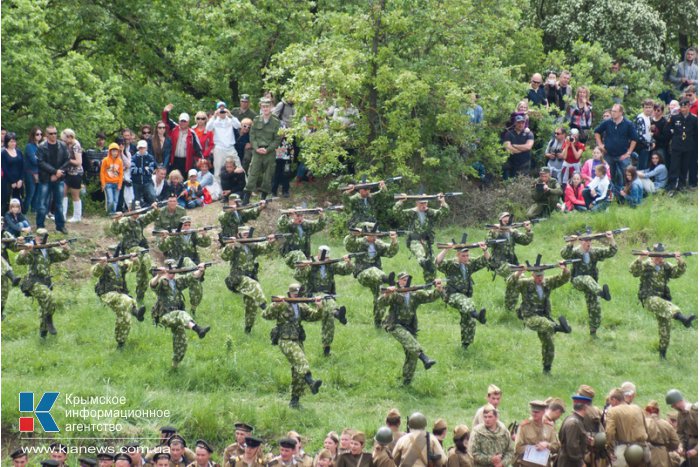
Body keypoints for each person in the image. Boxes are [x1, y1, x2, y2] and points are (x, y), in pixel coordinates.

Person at [261, 283, 324, 408]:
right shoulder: (282, 304)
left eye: (299, 293)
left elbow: (313, 316)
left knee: (297, 371)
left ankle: (295, 401)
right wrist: (275, 305)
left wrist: (320, 307)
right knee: (302, 361)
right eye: (296, 293)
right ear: (290, 293)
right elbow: (265, 315)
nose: (298, 295)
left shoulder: (301, 305)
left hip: (297, 340)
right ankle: (311, 382)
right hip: (285, 339)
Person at [630, 244, 695, 359]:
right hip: (649, 298)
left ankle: (662, 355)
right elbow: (633, 271)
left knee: (665, 327)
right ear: (653, 256)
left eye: (662, 256)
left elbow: (677, 273)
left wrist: (679, 260)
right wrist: (640, 258)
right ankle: (683, 319)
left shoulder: (666, 266)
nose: (660, 259)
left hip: (663, 301)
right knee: (664, 304)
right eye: (657, 256)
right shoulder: (646, 265)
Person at [377, 273, 442, 385]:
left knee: (412, 354)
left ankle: (407, 381)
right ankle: (424, 358)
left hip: (410, 327)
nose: (405, 282)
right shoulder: (395, 294)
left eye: (407, 280)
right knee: (410, 341)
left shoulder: (415, 295)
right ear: (398, 281)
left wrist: (438, 288)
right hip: (395, 325)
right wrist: (387, 294)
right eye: (402, 280)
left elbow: (430, 296)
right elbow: (381, 302)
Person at [507, 261, 572, 373]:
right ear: (532, 275)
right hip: (530, 316)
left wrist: (564, 268)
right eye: (537, 276)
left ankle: (547, 368)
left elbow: (563, 279)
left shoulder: (547, 282)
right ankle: (558, 327)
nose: (539, 278)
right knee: (546, 324)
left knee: (549, 343)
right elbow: (511, 283)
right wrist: (518, 272)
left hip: (544, 316)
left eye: (541, 276)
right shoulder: (526, 283)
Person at [150, 260, 211, 368]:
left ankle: (175, 366)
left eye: (174, 271)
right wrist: (159, 275)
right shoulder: (162, 282)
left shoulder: (177, 282)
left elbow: (192, 277)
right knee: (181, 313)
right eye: (170, 271)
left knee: (181, 342)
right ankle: (198, 329)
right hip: (165, 316)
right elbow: (152, 285)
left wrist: (201, 270)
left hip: (176, 317)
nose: (172, 274)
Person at [292, 245, 351, 356]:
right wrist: (303, 267)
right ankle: (337, 313)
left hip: (328, 295)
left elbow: (345, 270)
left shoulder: (330, 264)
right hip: (313, 295)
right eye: (323, 257)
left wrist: (348, 262)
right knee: (330, 305)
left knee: (328, 313)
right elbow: (298, 276)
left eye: (327, 257)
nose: (325, 259)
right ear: (318, 254)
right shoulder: (311, 263)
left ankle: (326, 347)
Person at [16, 229, 70, 337]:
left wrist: (65, 248)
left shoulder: (49, 249)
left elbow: (63, 256)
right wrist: (26, 251)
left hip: (45, 281)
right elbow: (19, 260)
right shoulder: (31, 248)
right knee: (49, 298)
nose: (41, 238)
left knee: (44, 306)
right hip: (33, 281)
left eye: (43, 236)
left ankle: (43, 332)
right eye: (39, 236)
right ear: (35, 236)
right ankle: (49, 320)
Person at [561, 231, 616, 337]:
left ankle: (593, 332)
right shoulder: (576, 252)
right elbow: (564, 255)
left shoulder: (594, 251)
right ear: (581, 241)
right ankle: (602, 293)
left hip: (592, 285)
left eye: (590, 240)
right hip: (578, 280)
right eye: (586, 240)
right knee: (587, 278)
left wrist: (611, 239)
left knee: (595, 307)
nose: (588, 243)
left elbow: (611, 252)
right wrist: (571, 243)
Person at [435, 243, 490, 350]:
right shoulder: (450, 265)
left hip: (465, 295)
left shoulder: (470, 264)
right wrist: (446, 249)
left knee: (468, 319)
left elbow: (487, 260)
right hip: (451, 295)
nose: (466, 258)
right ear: (457, 255)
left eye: (467, 255)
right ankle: (477, 315)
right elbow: (437, 262)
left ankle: (465, 345)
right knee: (466, 303)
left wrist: (485, 250)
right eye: (463, 256)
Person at [220, 227, 274, 333]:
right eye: (243, 234)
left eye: (247, 234)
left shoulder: (251, 246)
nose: (245, 236)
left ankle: (248, 328)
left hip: (250, 276)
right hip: (238, 278)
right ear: (238, 234)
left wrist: (271, 242)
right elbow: (224, 257)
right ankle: (265, 307)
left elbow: (265, 249)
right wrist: (230, 246)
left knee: (251, 303)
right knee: (255, 285)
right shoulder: (235, 245)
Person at [344, 225, 399, 328]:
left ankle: (378, 322)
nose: (374, 238)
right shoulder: (359, 243)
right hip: (362, 274)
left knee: (381, 296)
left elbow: (390, 252)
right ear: (366, 235)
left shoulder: (378, 244)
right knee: (373, 270)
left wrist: (394, 241)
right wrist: (353, 235)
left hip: (377, 277)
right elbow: (348, 245)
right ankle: (387, 279)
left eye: (375, 236)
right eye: (371, 236)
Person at [91, 250, 146, 348]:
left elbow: (135, 267)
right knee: (128, 300)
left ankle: (121, 342)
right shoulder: (105, 265)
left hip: (121, 294)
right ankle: (136, 312)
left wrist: (135, 260)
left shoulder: (122, 264)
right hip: (107, 294)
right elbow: (94, 273)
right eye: (110, 253)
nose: (112, 255)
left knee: (125, 317)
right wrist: (101, 265)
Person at [110, 202, 161, 306]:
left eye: (138, 211)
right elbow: (115, 230)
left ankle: (140, 297)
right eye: (134, 211)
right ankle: (154, 270)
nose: (136, 214)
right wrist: (116, 220)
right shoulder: (125, 221)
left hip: (139, 250)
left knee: (143, 275)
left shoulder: (140, 220)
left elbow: (151, 216)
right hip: (129, 250)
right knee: (145, 253)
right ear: (129, 210)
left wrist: (155, 208)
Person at [393, 193, 449, 281]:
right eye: (421, 203)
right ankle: (424, 261)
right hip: (415, 241)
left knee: (431, 266)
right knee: (422, 257)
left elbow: (444, 213)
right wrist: (401, 201)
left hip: (427, 242)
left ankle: (429, 287)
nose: (423, 205)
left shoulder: (430, 212)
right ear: (417, 203)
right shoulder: (411, 212)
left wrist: (442, 202)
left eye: (425, 203)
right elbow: (396, 213)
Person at [487, 212, 533, 312]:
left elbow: (525, 241)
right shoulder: (494, 231)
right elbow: (488, 243)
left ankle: (513, 308)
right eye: (504, 217)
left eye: (508, 218)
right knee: (518, 277)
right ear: (500, 219)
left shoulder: (512, 231)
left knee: (517, 282)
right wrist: (496, 231)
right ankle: (512, 308)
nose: (507, 219)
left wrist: (528, 230)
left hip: (512, 263)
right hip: (499, 264)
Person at [242, 97, 283, 204]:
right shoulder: (256, 120)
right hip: (257, 151)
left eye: (267, 106)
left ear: (271, 107)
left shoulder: (276, 122)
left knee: (268, 175)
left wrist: (268, 149)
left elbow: (278, 139)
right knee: (252, 172)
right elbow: (252, 136)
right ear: (261, 107)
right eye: (263, 106)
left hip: (269, 152)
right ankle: (246, 197)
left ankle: (263, 198)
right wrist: (256, 148)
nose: (265, 108)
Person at [593, 103, 638, 190]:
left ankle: (628, 193)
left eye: (615, 111)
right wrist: (600, 145)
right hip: (608, 154)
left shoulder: (628, 124)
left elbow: (634, 139)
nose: (613, 113)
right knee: (609, 175)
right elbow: (597, 132)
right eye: (612, 111)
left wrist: (629, 152)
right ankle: (610, 193)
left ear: (621, 112)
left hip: (623, 154)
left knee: (627, 175)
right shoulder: (607, 122)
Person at [36, 125, 70, 234]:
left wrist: (59, 173)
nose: (53, 135)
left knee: (59, 203)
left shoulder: (62, 145)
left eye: (55, 133)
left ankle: (60, 226)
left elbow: (67, 160)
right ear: (46, 135)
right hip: (45, 178)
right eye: (51, 133)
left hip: (59, 178)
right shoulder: (41, 147)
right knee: (42, 204)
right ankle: (40, 226)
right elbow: (40, 162)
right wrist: (54, 172)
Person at [604, 388, 650, 466]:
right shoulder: (637, 408)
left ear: (614, 400)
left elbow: (609, 432)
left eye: (610, 401)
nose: (610, 404)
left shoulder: (612, 411)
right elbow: (646, 428)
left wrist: (609, 449)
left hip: (625, 452)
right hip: (642, 450)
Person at [665, 98, 698, 195]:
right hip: (677, 146)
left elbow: (696, 134)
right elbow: (668, 129)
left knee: (684, 167)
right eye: (682, 107)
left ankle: (681, 186)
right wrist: (673, 133)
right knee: (674, 167)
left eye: (685, 107)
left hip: (688, 147)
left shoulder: (694, 119)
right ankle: (671, 186)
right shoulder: (675, 118)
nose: (683, 109)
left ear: (689, 106)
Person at [513, 400, 560, 466]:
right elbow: (517, 448)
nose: (534, 414)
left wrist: (547, 445)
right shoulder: (524, 427)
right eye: (533, 411)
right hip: (526, 465)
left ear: (544, 412)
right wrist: (533, 449)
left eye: (537, 412)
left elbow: (556, 446)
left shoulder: (549, 427)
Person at [162, 104, 204, 175]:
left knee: (184, 180)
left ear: (188, 122)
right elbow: (166, 121)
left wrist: (201, 160)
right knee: (173, 178)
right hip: (174, 160)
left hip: (186, 161)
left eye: (185, 121)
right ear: (179, 121)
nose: (183, 123)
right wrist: (165, 111)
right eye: (181, 121)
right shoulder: (174, 128)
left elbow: (198, 149)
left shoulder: (192, 133)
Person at [207, 101, 242, 182]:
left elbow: (238, 125)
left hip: (230, 148)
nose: (222, 111)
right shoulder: (214, 121)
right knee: (218, 170)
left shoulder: (231, 119)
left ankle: (243, 188)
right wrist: (214, 116)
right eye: (220, 108)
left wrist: (231, 115)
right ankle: (218, 191)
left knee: (238, 166)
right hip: (219, 148)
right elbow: (208, 128)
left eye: (223, 108)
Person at [665, 389, 698, 467]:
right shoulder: (680, 415)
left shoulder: (695, 412)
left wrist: (696, 450)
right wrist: (681, 445)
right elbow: (680, 433)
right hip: (689, 449)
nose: (673, 407)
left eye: (674, 404)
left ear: (679, 401)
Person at [557, 395, 591, 467]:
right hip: (570, 463)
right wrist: (580, 463)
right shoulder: (574, 423)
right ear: (585, 407)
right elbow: (572, 445)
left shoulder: (572, 419)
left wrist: (586, 439)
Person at [644, 400, 681, 467]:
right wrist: (666, 447)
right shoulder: (666, 424)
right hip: (661, 454)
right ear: (658, 412)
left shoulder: (643, 423)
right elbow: (675, 442)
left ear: (647, 411)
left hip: (644, 453)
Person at [60, 129, 83, 223]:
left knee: (75, 195)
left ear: (70, 137)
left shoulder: (76, 146)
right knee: (63, 192)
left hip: (76, 173)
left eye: (65, 139)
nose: (64, 141)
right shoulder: (67, 145)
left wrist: (67, 160)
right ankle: (63, 215)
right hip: (68, 172)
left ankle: (77, 216)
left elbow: (79, 162)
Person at [2, 132, 24, 215]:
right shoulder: (3, 153)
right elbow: (5, 169)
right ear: (7, 142)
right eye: (11, 141)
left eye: (14, 141)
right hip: (8, 181)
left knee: (18, 201)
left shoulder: (19, 152)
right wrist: (12, 181)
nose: (13, 143)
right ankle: (3, 220)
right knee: (5, 201)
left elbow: (22, 167)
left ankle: (17, 218)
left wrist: (20, 179)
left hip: (18, 181)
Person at [131, 140, 157, 208]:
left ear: (146, 148)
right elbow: (133, 170)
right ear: (138, 148)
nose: (142, 149)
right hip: (136, 182)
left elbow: (151, 170)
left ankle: (155, 209)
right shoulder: (134, 158)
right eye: (140, 148)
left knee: (153, 195)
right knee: (136, 200)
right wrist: (144, 169)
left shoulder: (150, 157)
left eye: (143, 148)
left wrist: (140, 169)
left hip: (147, 181)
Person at [100, 143, 124, 215]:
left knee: (116, 200)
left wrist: (120, 184)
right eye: (113, 151)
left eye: (116, 151)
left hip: (117, 183)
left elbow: (121, 174)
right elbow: (102, 172)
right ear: (110, 151)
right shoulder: (105, 160)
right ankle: (109, 213)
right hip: (108, 183)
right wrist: (103, 183)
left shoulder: (120, 161)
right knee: (110, 200)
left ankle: (113, 213)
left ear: (118, 152)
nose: (114, 152)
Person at [23, 126, 43, 215]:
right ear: (33, 135)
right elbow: (34, 161)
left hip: (39, 172)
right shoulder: (29, 146)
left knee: (37, 194)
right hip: (30, 173)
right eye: (37, 134)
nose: (39, 136)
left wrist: (39, 158)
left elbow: (45, 159)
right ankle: (24, 211)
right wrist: (40, 159)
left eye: (41, 134)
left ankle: (34, 211)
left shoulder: (41, 146)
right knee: (30, 194)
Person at [634, 99, 655, 170]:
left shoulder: (648, 118)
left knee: (645, 167)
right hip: (641, 146)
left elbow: (648, 133)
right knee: (641, 168)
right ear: (643, 108)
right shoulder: (641, 118)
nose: (648, 109)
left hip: (647, 146)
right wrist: (649, 144)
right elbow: (640, 135)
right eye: (646, 107)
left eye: (650, 107)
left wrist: (652, 141)